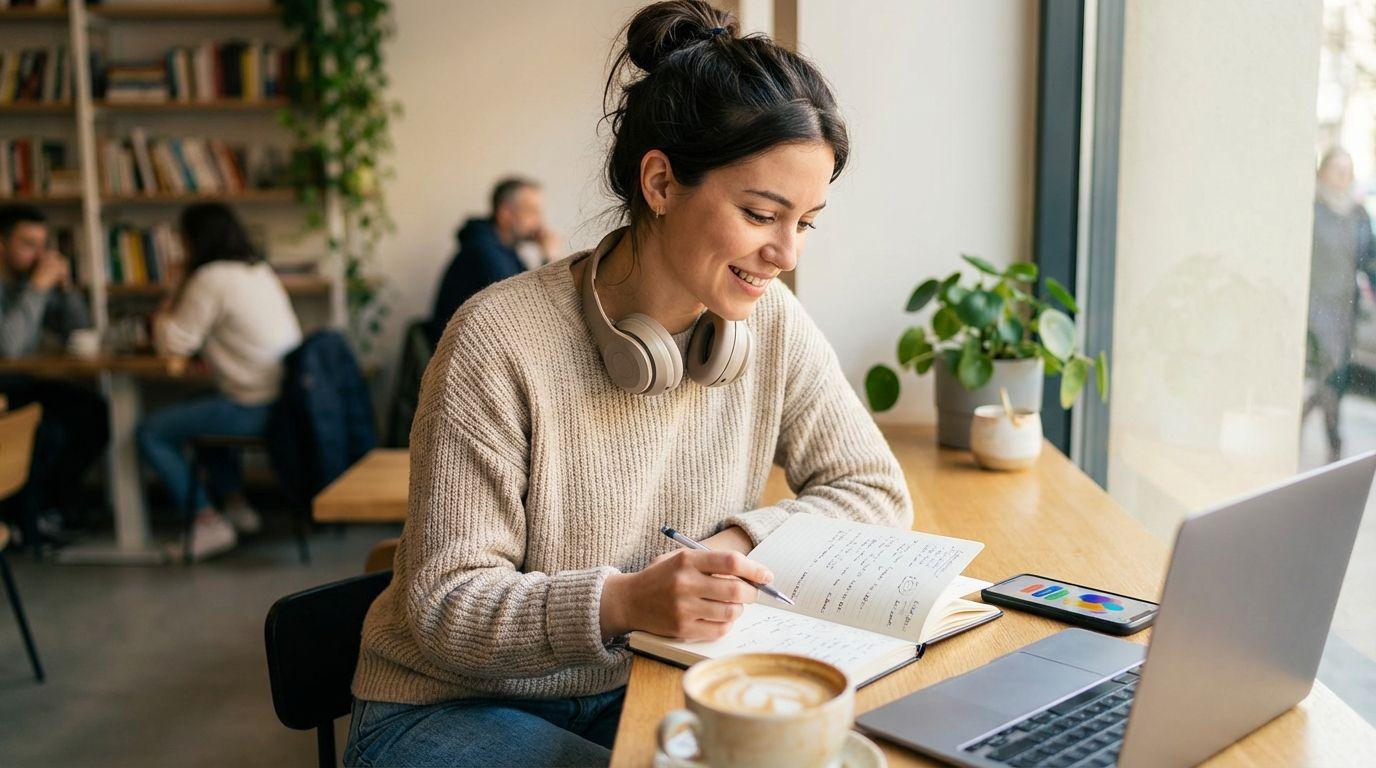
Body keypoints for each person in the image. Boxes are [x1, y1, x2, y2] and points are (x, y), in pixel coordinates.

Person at [344, 3, 911, 766]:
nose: (785, 254)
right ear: (661, 181)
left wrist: (740, 542)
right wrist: (625, 602)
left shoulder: (769, 321)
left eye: (805, 223)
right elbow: (448, 607)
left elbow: (874, 490)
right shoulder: (497, 339)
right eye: (760, 214)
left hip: (641, 681)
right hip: (450, 706)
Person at [136, 204, 302, 560]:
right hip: (282, 400)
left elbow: (174, 341)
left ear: (193, 240)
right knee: (202, 413)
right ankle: (237, 506)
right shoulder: (258, 271)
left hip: (253, 405)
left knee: (151, 431)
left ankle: (207, 521)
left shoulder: (210, 277)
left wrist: (175, 286)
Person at [0, 203, 106, 551]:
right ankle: (28, 516)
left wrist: (66, 288)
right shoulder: (22, 286)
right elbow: (10, 347)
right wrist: (38, 287)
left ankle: (57, 504)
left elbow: (78, 333)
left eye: (42, 245)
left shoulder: (29, 283)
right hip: (4, 388)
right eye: (27, 244)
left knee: (92, 411)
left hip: (23, 383)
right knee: (50, 432)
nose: (38, 255)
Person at [426, 176, 562, 346]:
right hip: (462, 352)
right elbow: (526, 309)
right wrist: (549, 258)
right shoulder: (483, 251)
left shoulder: (507, 251)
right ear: (505, 214)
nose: (538, 222)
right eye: (531, 212)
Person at [1304, 147, 1376, 463]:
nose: (1343, 176)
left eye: (1348, 170)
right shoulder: (1312, 208)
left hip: (1343, 309)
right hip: (1314, 304)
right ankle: (1336, 442)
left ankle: (1304, 416)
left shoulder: (1358, 214)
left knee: (1335, 377)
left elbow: (1370, 262)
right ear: (1323, 171)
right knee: (1331, 373)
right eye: (1337, 168)